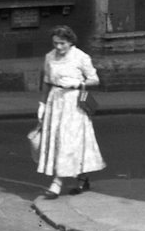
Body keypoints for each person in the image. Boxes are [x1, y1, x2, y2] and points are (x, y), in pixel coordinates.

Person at [35, 24, 106, 199]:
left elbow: (94, 80)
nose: (58, 47)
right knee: (60, 142)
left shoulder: (81, 57)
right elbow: (46, 81)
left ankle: (56, 183)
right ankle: (82, 177)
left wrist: (77, 84)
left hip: (74, 104)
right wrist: (42, 104)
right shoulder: (49, 57)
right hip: (55, 102)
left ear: (70, 42)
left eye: (62, 44)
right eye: (55, 43)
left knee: (70, 142)